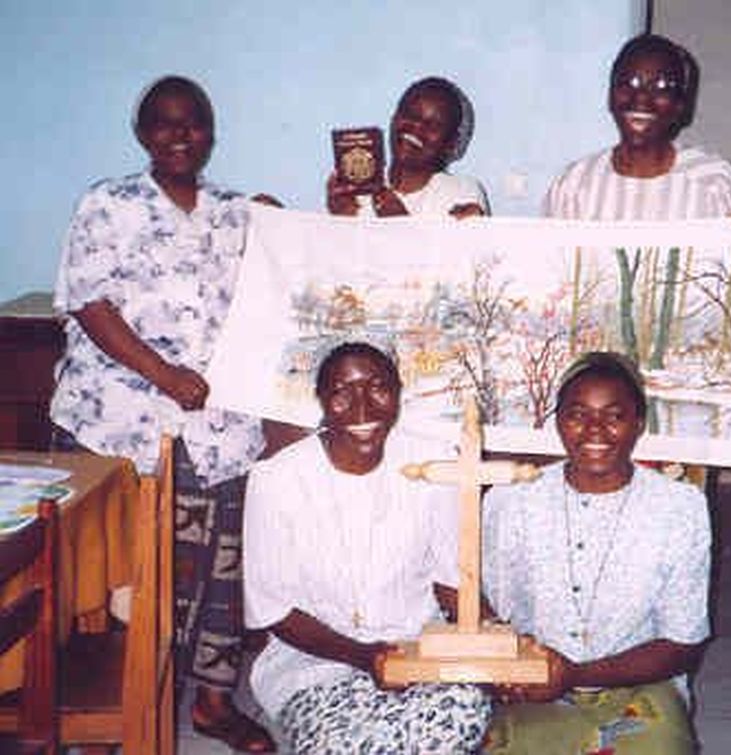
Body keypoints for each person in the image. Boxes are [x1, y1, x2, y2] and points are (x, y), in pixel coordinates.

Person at [49, 75, 275, 752]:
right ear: (141, 133)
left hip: (216, 427)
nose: (180, 135)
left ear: (211, 133)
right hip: (120, 423)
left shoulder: (237, 211)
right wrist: (164, 375)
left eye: (194, 122)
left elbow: (287, 266)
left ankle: (210, 703)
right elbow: (89, 303)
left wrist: (287, 216)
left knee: (223, 570)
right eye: (164, 123)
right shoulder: (107, 204)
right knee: (121, 576)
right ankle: (107, 703)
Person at [242, 339, 491, 754]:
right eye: (342, 392)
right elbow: (273, 610)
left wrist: (500, 639)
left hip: (419, 651)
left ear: (398, 393)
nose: (362, 409)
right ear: (321, 399)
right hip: (314, 663)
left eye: (378, 388)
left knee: (460, 715)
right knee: (345, 746)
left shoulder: (434, 464)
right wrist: (365, 657)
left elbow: (452, 582)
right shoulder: (277, 480)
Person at [481, 351, 711, 754]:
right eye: (578, 414)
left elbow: (683, 644)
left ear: (638, 423)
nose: (595, 431)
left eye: (614, 415)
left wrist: (574, 674)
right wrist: (509, 670)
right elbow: (492, 613)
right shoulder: (512, 500)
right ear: (557, 422)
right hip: (534, 681)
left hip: (640, 683)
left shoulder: (679, 508)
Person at [543, 33, 731, 220]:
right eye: (629, 83)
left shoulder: (716, 179)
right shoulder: (573, 184)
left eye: (661, 87)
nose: (641, 98)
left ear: (680, 105)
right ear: (610, 96)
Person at [327, 76, 489, 219]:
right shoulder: (357, 189)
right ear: (394, 118)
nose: (416, 127)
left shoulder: (461, 193)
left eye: (433, 126)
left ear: (451, 144)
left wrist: (402, 225)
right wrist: (341, 222)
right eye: (409, 114)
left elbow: (462, 252)